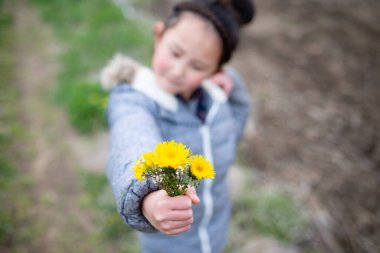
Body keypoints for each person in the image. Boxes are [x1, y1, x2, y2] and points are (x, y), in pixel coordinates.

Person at [101, 0, 255, 252]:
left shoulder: (215, 100)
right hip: (168, 245)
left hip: (215, 235)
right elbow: (130, 142)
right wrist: (150, 197)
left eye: (198, 66)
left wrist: (233, 83)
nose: (178, 71)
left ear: (215, 70)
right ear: (159, 34)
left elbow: (235, 123)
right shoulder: (133, 100)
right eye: (175, 53)